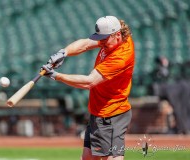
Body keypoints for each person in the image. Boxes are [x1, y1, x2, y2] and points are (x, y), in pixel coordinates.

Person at [42, 16, 135, 160]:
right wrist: (63, 53)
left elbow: (89, 82)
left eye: (104, 39)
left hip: (110, 113)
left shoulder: (120, 57)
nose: (101, 43)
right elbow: (85, 44)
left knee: (110, 158)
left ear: (117, 35)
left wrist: (56, 76)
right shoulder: (114, 38)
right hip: (99, 110)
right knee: (88, 157)